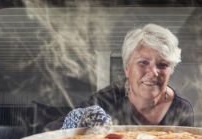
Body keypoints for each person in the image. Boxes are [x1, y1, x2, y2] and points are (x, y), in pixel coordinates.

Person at [60, 23, 193, 129]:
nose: (153, 72)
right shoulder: (105, 101)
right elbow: (57, 133)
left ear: (171, 70)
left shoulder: (182, 109)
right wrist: (75, 124)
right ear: (127, 69)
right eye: (143, 62)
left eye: (162, 64)